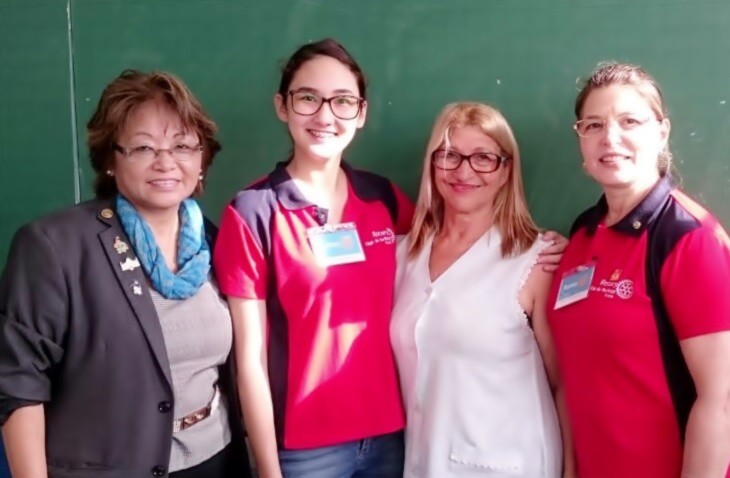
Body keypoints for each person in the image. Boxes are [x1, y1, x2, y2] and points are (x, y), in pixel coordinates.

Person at [0, 70, 252, 478]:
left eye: (182, 146)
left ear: (202, 158)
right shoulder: (55, 245)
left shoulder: (212, 239)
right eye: (143, 147)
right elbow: (17, 383)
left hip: (216, 458)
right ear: (110, 160)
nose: (166, 162)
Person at [212, 38, 413, 478]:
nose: (325, 116)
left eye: (342, 101)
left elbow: (452, 251)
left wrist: (530, 248)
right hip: (304, 452)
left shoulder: (384, 198)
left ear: (361, 113)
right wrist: (268, 469)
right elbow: (250, 360)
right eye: (308, 98)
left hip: (391, 437)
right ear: (282, 106)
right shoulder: (253, 212)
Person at [547, 62, 730, 478]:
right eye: (593, 125)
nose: (609, 138)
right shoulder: (583, 233)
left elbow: (721, 402)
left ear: (661, 132)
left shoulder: (689, 239)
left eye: (629, 121)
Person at [390, 102, 574, 477]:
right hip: (423, 463)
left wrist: (571, 470)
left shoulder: (536, 261)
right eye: (449, 155)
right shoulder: (404, 255)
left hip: (510, 465)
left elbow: (566, 384)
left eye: (483, 158)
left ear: (506, 171)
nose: (464, 171)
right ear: (432, 164)